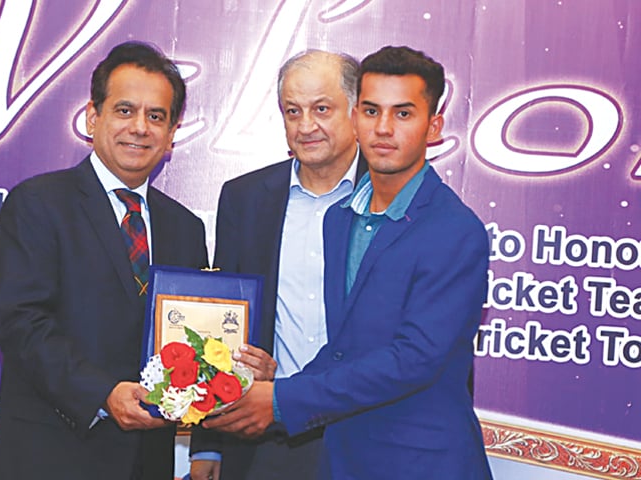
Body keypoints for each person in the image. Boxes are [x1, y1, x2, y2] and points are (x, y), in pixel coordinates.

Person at [203, 45, 493, 479]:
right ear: (356, 117)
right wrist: (273, 392)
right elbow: (343, 348)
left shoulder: (456, 231)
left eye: (403, 114)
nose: (383, 129)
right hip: (338, 454)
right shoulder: (342, 219)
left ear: (433, 127)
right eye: (372, 111)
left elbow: (412, 358)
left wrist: (281, 399)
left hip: (416, 460)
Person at [0, 41, 208, 480]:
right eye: (125, 110)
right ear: (93, 117)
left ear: (171, 134)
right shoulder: (37, 203)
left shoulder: (186, 228)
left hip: (147, 460)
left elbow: (192, 338)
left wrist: (235, 367)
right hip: (49, 456)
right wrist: (104, 393)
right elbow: (22, 324)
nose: (140, 127)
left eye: (156, 116)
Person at [189, 50, 366, 480]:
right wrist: (209, 444)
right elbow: (221, 323)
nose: (306, 126)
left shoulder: (392, 202)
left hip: (363, 434)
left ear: (356, 111)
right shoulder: (245, 199)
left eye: (321, 109)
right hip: (264, 435)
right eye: (293, 111)